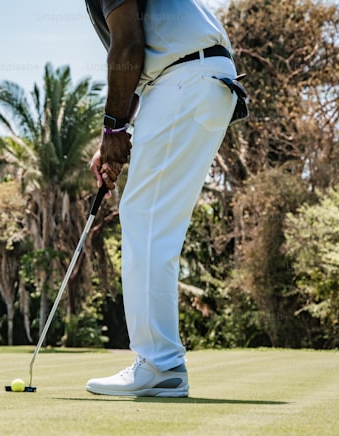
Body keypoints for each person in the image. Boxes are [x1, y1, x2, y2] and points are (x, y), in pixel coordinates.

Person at [83, 0, 239, 397]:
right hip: (193, 79)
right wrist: (114, 135)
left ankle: (159, 364)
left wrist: (114, 130)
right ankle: (160, 363)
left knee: (145, 218)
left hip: (184, 78)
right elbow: (133, 68)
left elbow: (128, 45)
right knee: (152, 220)